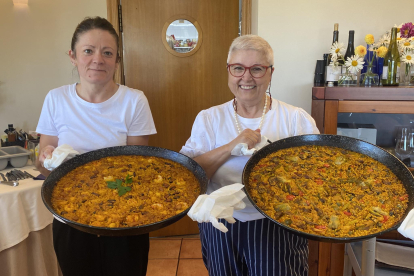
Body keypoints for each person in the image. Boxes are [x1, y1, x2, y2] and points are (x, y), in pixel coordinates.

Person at [180, 35, 320, 276]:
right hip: (221, 223)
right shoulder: (209, 118)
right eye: (238, 68)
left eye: (256, 69)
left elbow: (316, 176)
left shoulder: (296, 118)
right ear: (229, 71)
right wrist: (230, 146)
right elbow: (189, 174)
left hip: (278, 224)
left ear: (270, 73)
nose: (246, 77)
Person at [35, 17, 156, 276]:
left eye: (107, 52)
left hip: (124, 218)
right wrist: (46, 158)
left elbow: (137, 168)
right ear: (73, 56)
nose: (98, 59)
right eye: (88, 51)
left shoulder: (134, 101)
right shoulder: (56, 99)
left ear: (117, 59)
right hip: (70, 217)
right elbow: (44, 167)